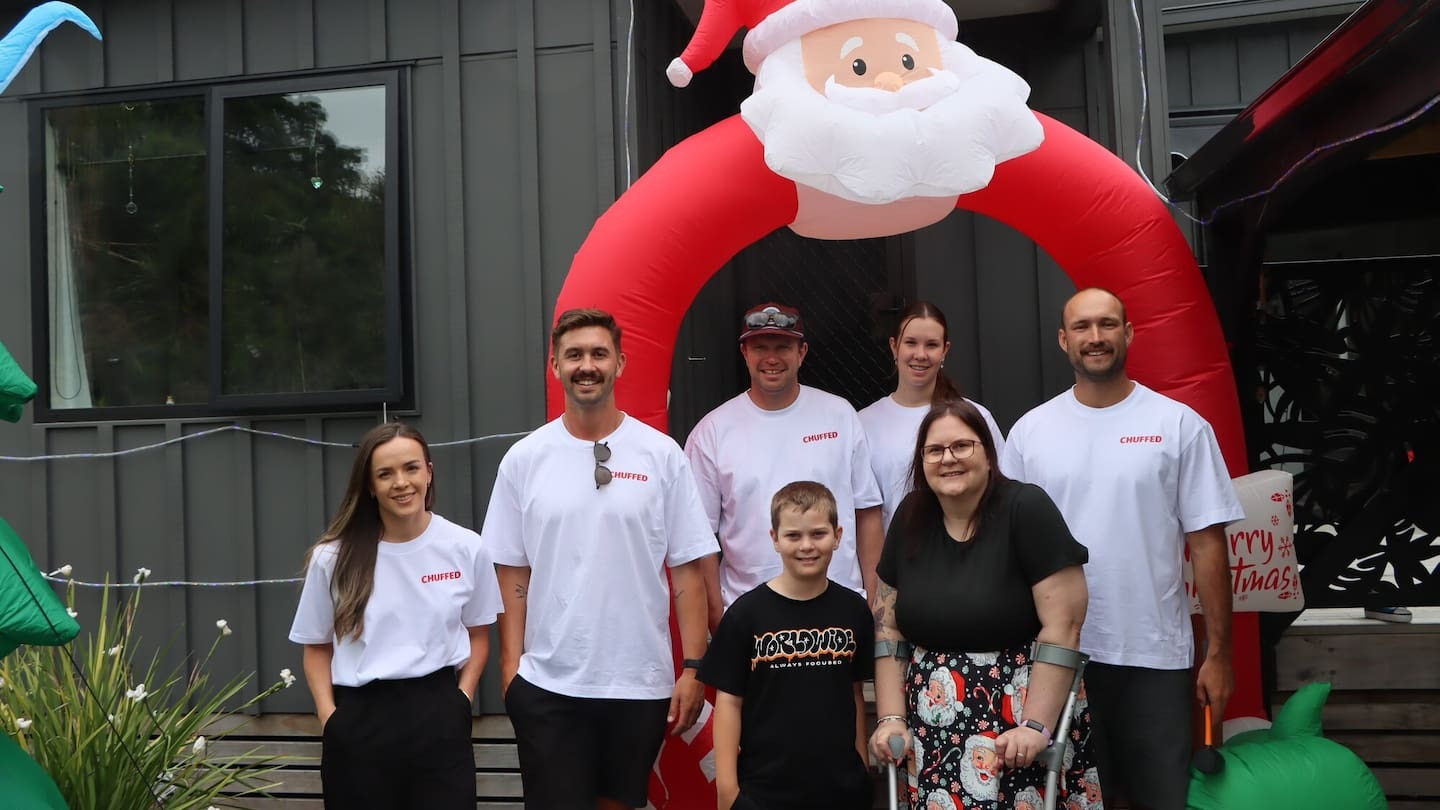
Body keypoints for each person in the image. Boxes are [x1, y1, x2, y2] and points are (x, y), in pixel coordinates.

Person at [1000, 287, 1243, 810]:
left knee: (1161, 799)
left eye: (1107, 325)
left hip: (1153, 657)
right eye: (1082, 327)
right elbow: (1005, 548)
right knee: (1071, 801)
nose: (1096, 338)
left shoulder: (1177, 425)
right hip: (1057, 658)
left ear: (1128, 333)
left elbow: (1207, 545)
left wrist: (1218, 654)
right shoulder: (1029, 433)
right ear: (1064, 340)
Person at [481, 308, 717, 810]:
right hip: (548, 682)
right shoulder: (525, 460)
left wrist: (693, 667)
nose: (586, 365)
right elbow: (511, 572)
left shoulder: (661, 455)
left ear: (620, 364)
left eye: (598, 354)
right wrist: (511, 670)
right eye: (574, 355)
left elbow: (686, 572)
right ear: (555, 366)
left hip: (638, 683)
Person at [870, 399, 1100, 809]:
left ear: (988, 453)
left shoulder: (1026, 508)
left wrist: (1036, 726)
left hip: (1016, 724)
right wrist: (890, 718)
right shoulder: (910, 517)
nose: (948, 459)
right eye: (935, 450)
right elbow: (887, 625)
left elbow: (1064, 625)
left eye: (962, 446)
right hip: (931, 728)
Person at [289, 421, 503, 810]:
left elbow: (479, 635)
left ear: (429, 471)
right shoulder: (333, 558)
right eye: (385, 474)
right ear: (369, 486)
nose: (401, 483)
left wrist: (462, 699)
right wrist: (330, 718)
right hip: (359, 724)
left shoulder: (466, 548)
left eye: (411, 468)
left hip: (439, 717)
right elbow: (317, 646)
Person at [685, 302, 884, 630]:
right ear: (744, 352)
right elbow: (698, 534)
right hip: (749, 615)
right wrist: (716, 611)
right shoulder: (713, 431)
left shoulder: (839, 415)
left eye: (783, 347)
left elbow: (867, 513)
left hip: (837, 613)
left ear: (802, 352)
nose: (772, 358)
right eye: (760, 347)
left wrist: (873, 604)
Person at [700, 481, 874, 810]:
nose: (806, 545)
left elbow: (853, 694)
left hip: (841, 790)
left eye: (818, 534)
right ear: (775, 539)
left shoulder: (854, 611)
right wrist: (727, 792)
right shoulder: (745, 615)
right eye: (794, 535)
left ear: (838, 536)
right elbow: (728, 704)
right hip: (765, 793)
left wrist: (861, 769)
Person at [860, 301, 1006, 532]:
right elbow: (864, 512)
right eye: (910, 343)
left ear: (945, 350)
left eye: (931, 345)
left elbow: (1001, 493)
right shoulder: (863, 424)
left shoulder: (975, 417)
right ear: (894, 346)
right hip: (898, 561)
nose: (920, 354)